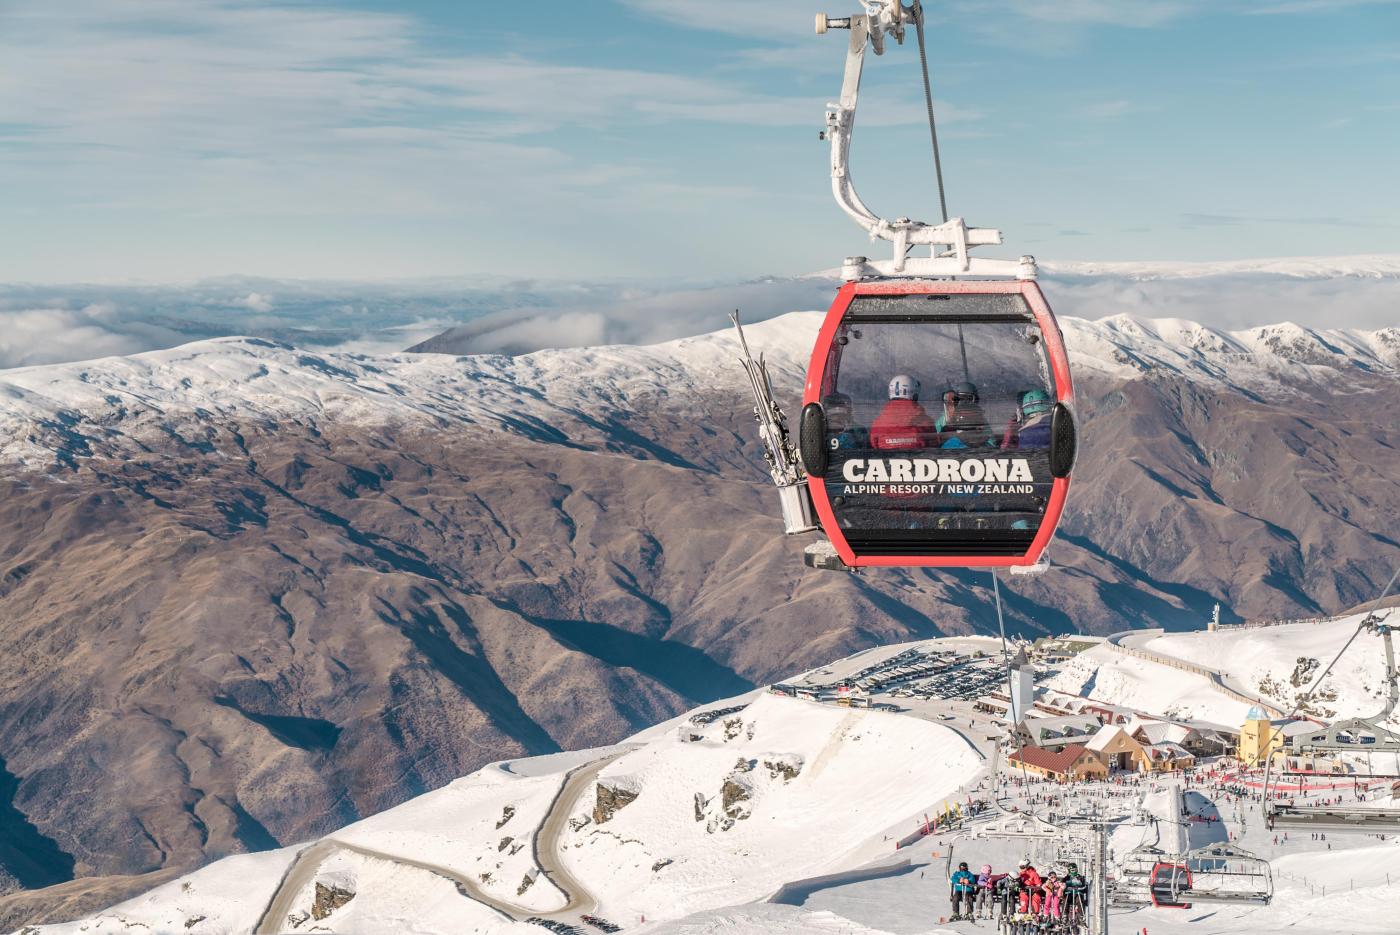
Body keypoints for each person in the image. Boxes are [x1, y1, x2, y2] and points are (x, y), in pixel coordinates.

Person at [869, 374, 937, 450]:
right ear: (914, 393)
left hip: (887, 460)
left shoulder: (879, 422)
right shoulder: (925, 421)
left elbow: (874, 445)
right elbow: (934, 444)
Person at [935, 381, 994, 449]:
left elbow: (991, 442)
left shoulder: (979, 420)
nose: (952, 405)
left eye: (967, 399)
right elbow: (937, 440)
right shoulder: (942, 421)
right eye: (948, 402)